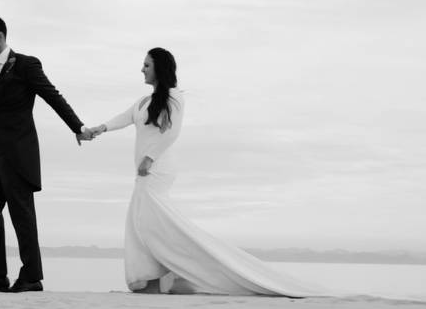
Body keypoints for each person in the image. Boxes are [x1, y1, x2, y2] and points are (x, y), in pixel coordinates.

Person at [83, 48, 315, 296]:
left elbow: (172, 131)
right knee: (145, 223)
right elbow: (125, 117)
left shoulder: (174, 98)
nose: (142, 69)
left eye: (147, 65)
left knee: (151, 223)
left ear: (159, 69)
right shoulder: (144, 101)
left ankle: (175, 273)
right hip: (145, 170)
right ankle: (157, 277)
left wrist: (149, 159)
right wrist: (100, 128)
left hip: (157, 169)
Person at [0, 15, 92, 293]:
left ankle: (32, 277)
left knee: (22, 214)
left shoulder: (26, 65)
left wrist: (77, 127)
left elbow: (52, 95)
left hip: (19, 153)